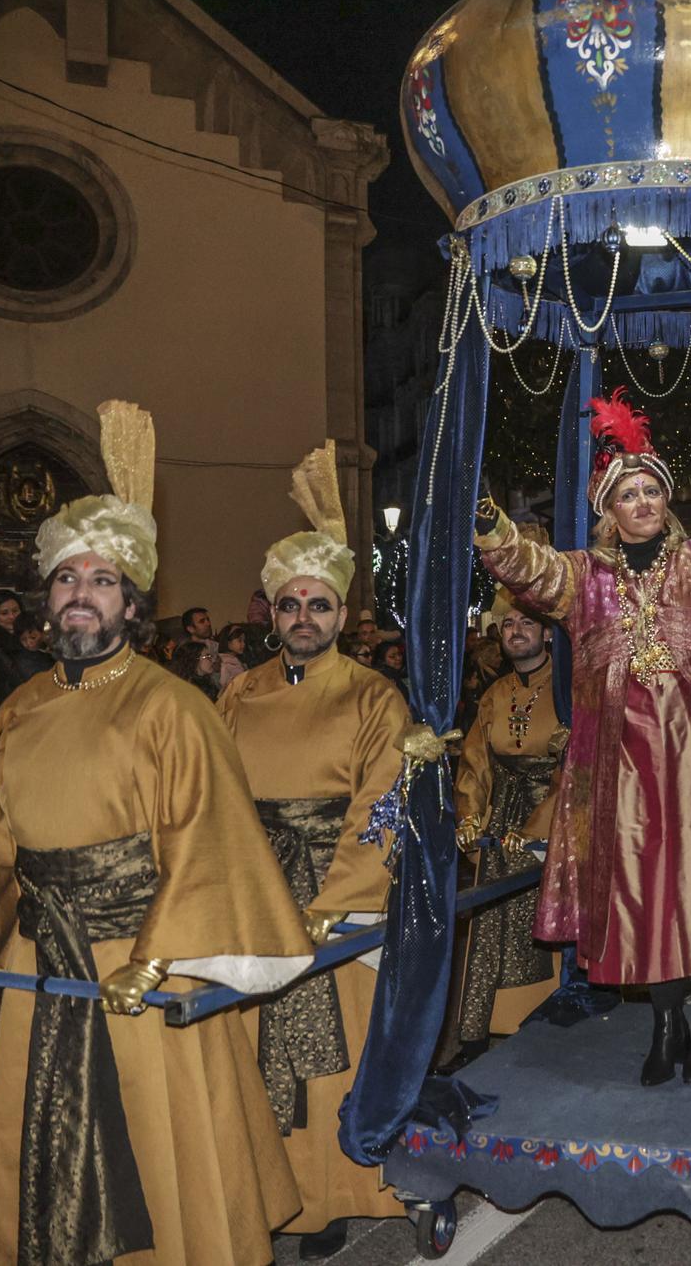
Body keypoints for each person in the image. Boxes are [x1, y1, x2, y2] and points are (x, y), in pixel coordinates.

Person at [0, 400, 314, 1266]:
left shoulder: (173, 707)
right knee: (43, 1137)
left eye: (102, 581)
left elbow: (204, 833)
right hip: (42, 962)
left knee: (160, 1142)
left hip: (142, 959)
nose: (81, 595)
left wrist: (162, 952)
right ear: (46, 597)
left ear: (132, 605)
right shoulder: (21, 706)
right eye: (67, 579)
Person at [473, 386, 691, 1086]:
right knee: (643, 898)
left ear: (666, 500)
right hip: (626, 768)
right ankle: (665, 1020)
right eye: (628, 495)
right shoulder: (582, 579)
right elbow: (527, 566)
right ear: (608, 511)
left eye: (652, 491)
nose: (642, 503)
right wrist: (490, 521)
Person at [217, 440, 409, 1259]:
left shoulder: (373, 694)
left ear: (340, 613)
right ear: (273, 612)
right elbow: (213, 795)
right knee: (251, 1059)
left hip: (336, 900)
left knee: (337, 1058)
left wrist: (333, 905)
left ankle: (335, 1192)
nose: (304, 616)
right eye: (290, 604)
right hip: (255, 891)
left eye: (319, 604)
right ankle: (265, 1191)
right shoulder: (239, 692)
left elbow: (383, 805)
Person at [445, 595, 562, 1073]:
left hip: (556, 813)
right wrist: (469, 815)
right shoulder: (495, 692)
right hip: (501, 817)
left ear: (548, 632)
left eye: (526, 623)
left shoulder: (573, 686)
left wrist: (539, 828)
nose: (515, 631)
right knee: (489, 920)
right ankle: (479, 1033)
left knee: (540, 919)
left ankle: (547, 1024)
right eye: (508, 624)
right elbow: (475, 760)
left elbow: (580, 765)